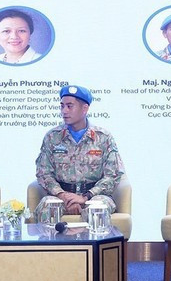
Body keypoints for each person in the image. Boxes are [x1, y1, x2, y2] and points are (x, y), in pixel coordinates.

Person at [35, 85, 124, 220]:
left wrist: (85, 196)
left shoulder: (103, 137)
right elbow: (43, 173)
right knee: (47, 207)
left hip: (93, 196)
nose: (64, 111)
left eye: (70, 106)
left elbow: (113, 175)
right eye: (62, 106)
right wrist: (63, 196)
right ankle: (50, 241)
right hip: (61, 195)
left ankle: (92, 242)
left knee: (97, 209)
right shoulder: (52, 137)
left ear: (84, 109)